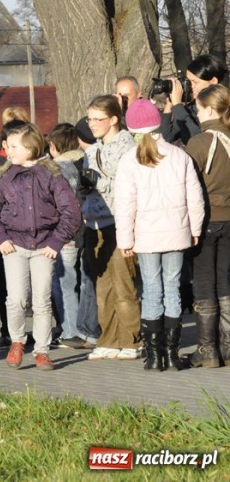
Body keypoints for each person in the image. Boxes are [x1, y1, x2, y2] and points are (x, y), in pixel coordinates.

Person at [114, 99, 205, 371]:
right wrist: (195, 228)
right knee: (173, 288)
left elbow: (124, 204)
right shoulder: (179, 155)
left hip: (145, 236)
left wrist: (125, 240)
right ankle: (173, 354)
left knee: (152, 290)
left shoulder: (129, 160)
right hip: (177, 232)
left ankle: (154, 357)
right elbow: (195, 197)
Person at [0, 123, 82, 371]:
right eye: (7, 145)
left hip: (44, 247)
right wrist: (0, 238)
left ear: (30, 147)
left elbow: (71, 212)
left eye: (14, 146)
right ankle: (17, 341)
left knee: (42, 300)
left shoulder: (51, 174)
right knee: (16, 299)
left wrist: (56, 241)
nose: (8, 150)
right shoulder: (4, 175)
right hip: (14, 246)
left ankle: (42, 351)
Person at [81, 95, 141, 361]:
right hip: (94, 223)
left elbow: (127, 184)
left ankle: (132, 339)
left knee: (124, 285)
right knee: (102, 286)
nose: (92, 124)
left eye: (98, 119)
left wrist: (97, 182)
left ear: (114, 119)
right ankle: (108, 338)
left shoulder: (127, 147)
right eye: (89, 119)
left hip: (120, 222)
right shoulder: (91, 149)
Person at [184, 84, 230, 367]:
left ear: (210, 109)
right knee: (225, 281)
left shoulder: (199, 143)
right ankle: (227, 346)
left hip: (207, 219)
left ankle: (206, 349)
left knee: (203, 281)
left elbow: (187, 185)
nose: (197, 113)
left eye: (199, 109)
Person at [46, 123, 88, 348]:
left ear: (54, 146)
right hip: (83, 230)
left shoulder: (58, 168)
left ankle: (70, 329)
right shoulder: (84, 161)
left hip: (63, 234)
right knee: (82, 282)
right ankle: (85, 327)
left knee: (63, 283)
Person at [161, 54, 228, 145]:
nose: (190, 86)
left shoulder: (224, 108)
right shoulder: (191, 108)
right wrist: (170, 103)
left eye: (195, 82)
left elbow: (199, 141)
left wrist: (177, 104)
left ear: (213, 81)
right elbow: (166, 138)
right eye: (188, 81)